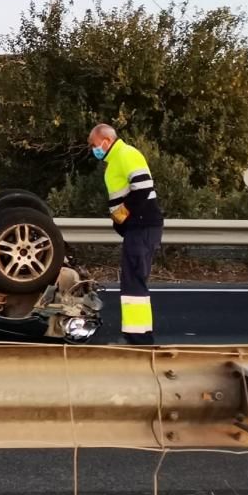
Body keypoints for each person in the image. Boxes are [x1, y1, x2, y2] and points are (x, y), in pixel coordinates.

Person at [88, 124, 163, 345]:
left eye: (94, 145)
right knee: (132, 279)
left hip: (142, 226)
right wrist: (122, 222)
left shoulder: (127, 153)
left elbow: (143, 188)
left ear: (106, 141)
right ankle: (137, 334)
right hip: (137, 227)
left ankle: (139, 338)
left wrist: (123, 216)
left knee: (134, 280)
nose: (94, 149)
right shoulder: (115, 160)